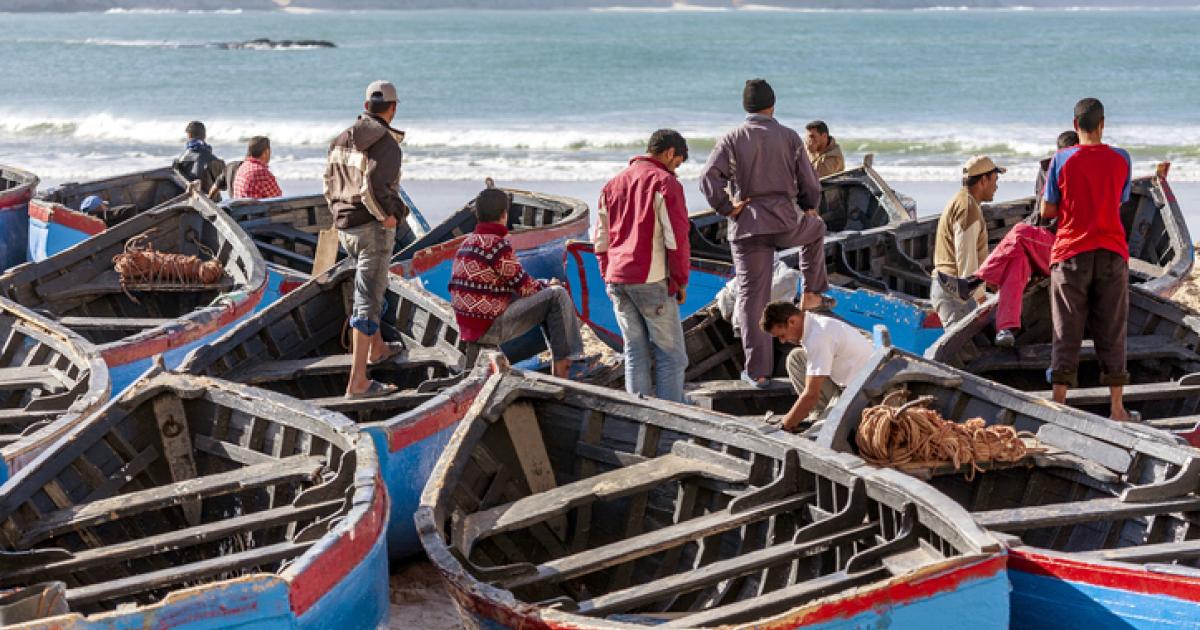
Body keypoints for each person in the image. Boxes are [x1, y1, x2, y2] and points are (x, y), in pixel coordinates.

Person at [700, 78, 833, 389]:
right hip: (785, 222)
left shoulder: (732, 138)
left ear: (746, 107)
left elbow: (708, 178)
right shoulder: (789, 137)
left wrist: (726, 207)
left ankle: (757, 372)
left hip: (748, 226)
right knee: (816, 229)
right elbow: (810, 183)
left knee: (751, 299)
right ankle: (813, 291)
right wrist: (809, 206)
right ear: (773, 105)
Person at [937, 132, 1079, 347]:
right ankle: (1006, 328)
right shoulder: (1047, 171)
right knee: (1016, 261)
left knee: (1020, 232)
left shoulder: (1083, 175)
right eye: (995, 179)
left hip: (1067, 250)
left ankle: (975, 281)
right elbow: (1041, 215)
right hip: (1047, 245)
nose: (997, 185)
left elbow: (1049, 214)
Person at [1041, 98, 1133, 421]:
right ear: (1103, 124)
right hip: (1112, 251)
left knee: (1066, 327)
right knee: (1112, 329)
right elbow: (1120, 200)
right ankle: (1117, 408)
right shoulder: (1122, 159)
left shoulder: (1061, 160)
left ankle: (1060, 401)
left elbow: (1047, 210)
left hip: (1070, 252)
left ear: (1075, 124)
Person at [324, 80, 411, 399]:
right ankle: (358, 382)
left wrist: (336, 210)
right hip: (371, 229)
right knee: (368, 301)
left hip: (345, 227)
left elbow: (328, 182)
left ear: (365, 107)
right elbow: (373, 188)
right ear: (393, 108)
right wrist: (386, 215)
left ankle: (377, 349)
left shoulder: (340, 139)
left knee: (367, 288)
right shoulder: (386, 143)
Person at [595, 129, 691, 402]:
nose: (676, 170)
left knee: (634, 350)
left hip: (617, 279)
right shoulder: (665, 183)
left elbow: (600, 240)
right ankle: (670, 420)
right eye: (677, 163)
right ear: (671, 153)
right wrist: (680, 280)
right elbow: (676, 239)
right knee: (671, 355)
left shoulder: (611, 184)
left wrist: (606, 275)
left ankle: (639, 417)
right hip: (650, 279)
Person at [449, 188, 585, 378]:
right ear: (504, 215)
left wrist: (543, 284)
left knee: (548, 292)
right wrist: (550, 285)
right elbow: (525, 287)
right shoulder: (496, 245)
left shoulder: (467, 243)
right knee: (557, 295)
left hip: (469, 325)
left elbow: (515, 282)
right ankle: (568, 364)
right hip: (489, 326)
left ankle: (564, 362)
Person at [761, 301, 873, 432]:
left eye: (782, 335)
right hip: (846, 381)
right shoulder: (813, 322)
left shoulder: (818, 336)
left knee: (815, 435)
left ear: (792, 321)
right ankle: (818, 414)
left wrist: (784, 426)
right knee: (796, 358)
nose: (783, 341)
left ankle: (822, 422)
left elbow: (811, 394)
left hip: (859, 394)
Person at [929, 155, 1005, 328]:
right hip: (955, 293)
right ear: (983, 180)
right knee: (962, 353)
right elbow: (966, 260)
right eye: (995, 179)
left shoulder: (964, 201)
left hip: (952, 289)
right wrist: (981, 298)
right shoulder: (967, 208)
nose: (997, 186)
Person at [173, 121, 226, 199]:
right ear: (205, 136)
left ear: (189, 135)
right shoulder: (213, 159)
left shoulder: (180, 160)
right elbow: (224, 187)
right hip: (212, 201)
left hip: (188, 199)